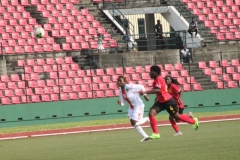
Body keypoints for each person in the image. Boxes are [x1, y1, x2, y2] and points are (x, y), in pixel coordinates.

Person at [139, 66, 199, 139]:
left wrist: (145, 92)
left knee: (177, 117)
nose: (150, 73)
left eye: (151, 71)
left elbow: (158, 90)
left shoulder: (159, 78)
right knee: (151, 113)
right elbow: (160, 91)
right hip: (161, 101)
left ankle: (193, 121)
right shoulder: (156, 80)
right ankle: (156, 134)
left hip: (168, 102)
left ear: (156, 72)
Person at [117, 75, 150, 142]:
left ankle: (147, 119)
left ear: (124, 82)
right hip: (131, 107)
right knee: (133, 123)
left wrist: (145, 95)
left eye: (120, 81)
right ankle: (146, 137)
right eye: (118, 81)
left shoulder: (130, 87)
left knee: (135, 122)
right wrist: (121, 103)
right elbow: (123, 103)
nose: (119, 82)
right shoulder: (120, 91)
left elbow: (141, 86)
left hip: (138, 105)